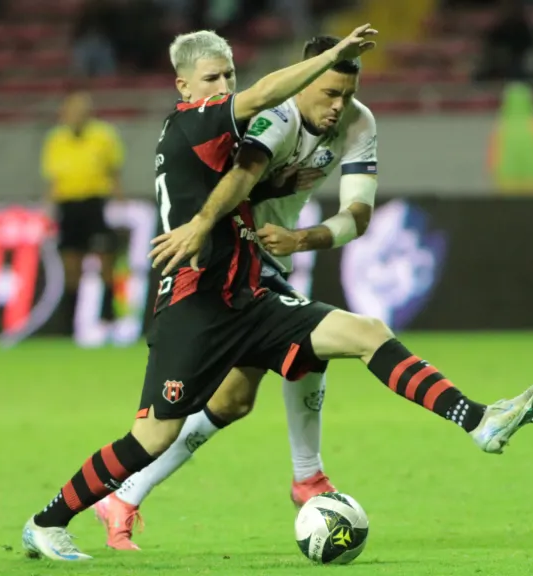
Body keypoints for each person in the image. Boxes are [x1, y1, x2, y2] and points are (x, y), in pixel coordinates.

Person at [21, 23, 380, 562]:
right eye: (211, 78)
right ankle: (51, 520)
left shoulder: (225, 134)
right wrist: (332, 57)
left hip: (240, 290)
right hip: (192, 299)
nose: (223, 86)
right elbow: (263, 98)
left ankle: (308, 475)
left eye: (228, 76)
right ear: (183, 88)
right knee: (151, 437)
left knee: (298, 354)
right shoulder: (195, 122)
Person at [41, 92, 126, 329]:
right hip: (68, 205)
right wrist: (48, 207)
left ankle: (108, 314)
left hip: (96, 203)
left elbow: (114, 172)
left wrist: (120, 202)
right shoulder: (56, 139)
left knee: (105, 259)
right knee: (71, 263)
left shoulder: (104, 136)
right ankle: (69, 323)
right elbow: (53, 179)